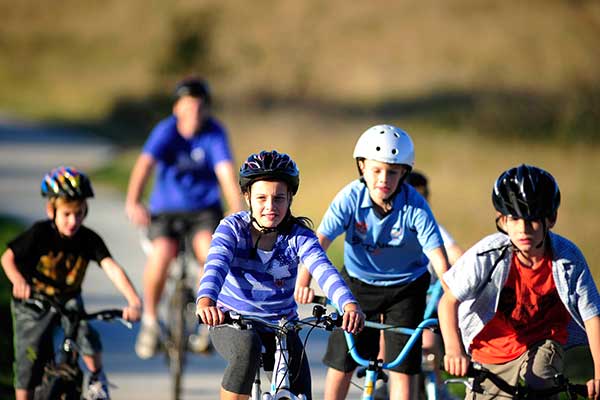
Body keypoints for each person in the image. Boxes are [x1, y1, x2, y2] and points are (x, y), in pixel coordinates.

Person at [295, 124, 451, 400]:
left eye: (392, 171)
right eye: (376, 170)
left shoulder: (415, 206)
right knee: (342, 361)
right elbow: (318, 243)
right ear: (362, 167)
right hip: (357, 285)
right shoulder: (350, 198)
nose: (384, 179)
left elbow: (439, 258)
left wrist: (451, 294)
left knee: (403, 368)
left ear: (404, 173)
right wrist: (304, 281)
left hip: (406, 289)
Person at [196, 150, 365, 400]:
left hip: (282, 326)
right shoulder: (231, 229)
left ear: (290, 199)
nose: (270, 207)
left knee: (301, 391)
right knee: (247, 348)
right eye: (262, 198)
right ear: (247, 196)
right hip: (232, 321)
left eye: (279, 198)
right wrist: (206, 301)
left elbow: (324, 269)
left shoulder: (299, 236)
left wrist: (349, 304)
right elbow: (216, 266)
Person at [439, 164, 600, 400]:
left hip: (544, 340)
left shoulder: (568, 258)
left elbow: (592, 315)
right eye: (514, 218)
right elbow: (448, 301)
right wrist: (454, 350)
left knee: (539, 379)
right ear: (502, 221)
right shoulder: (488, 254)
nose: (523, 229)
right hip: (491, 349)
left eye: (533, 219)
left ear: (551, 219)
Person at [125, 77, 244, 358]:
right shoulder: (165, 131)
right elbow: (144, 166)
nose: (194, 114)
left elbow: (226, 172)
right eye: (188, 107)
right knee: (162, 253)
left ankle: (206, 324)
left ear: (207, 110)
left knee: (209, 252)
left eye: (200, 108)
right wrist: (133, 201)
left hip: (203, 211)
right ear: (177, 108)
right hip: (166, 210)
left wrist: (236, 204)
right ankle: (151, 322)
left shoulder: (214, 133)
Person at [1, 166, 142, 400]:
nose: (73, 221)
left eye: (79, 213)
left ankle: (97, 377)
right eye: (67, 214)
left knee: (86, 335)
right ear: (51, 210)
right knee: (29, 357)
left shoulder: (88, 239)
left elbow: (112, 268)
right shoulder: (39, 234)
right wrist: (18, 281)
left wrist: (134, 301)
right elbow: (7, 258)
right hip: (33, 302)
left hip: (68, 300)